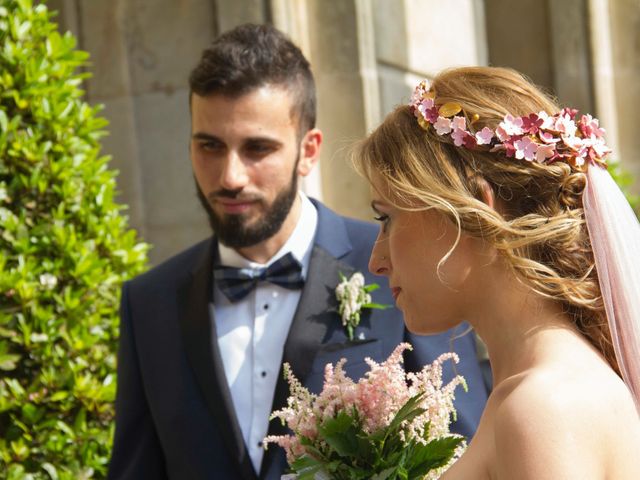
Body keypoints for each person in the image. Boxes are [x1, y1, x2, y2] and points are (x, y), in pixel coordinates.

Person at [107, 25, 489, 480]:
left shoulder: (401, 264)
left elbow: (465, 448)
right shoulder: (149, 303)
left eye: (257, 149)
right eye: (209, 145)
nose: (230, 176)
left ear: (308, 151)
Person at [355, 66, 640, 478]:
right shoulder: (537, 390)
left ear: (477, 209)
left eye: (388, 218)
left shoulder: (543, 405)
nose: (375, 261)